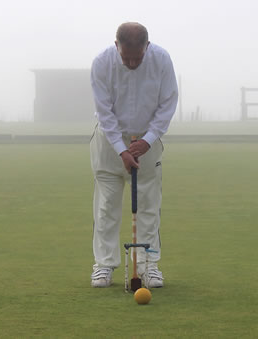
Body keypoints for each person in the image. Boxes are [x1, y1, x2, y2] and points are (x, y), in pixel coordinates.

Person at [90, 22, 178, 288]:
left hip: (147, 142)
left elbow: (168, 104)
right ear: (116, 45)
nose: (130, 62)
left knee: (149, 205)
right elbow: (104, 112)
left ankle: (148, 266)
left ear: (147, 47)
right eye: (125, 57)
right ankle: (104, 265)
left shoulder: (161, 60)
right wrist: (122, 150)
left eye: (137, 58)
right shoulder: (102, 63)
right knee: (107, 205)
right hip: (108, 143)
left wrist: (148, 140)